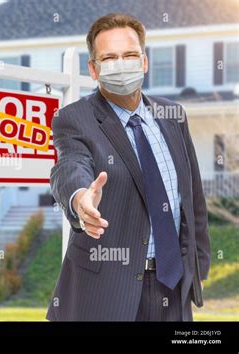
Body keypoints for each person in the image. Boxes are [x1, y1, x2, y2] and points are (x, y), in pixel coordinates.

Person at [46, 13, 211, 321]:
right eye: (109, 58)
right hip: (106, 292)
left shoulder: (173, 115)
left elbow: (192, 196)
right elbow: (69, 166)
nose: (121, 64)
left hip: (172, 286)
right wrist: (80, 199)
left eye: (130, 55)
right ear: (93, 70)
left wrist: (197, 264)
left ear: (144, 62)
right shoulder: (74, 118)